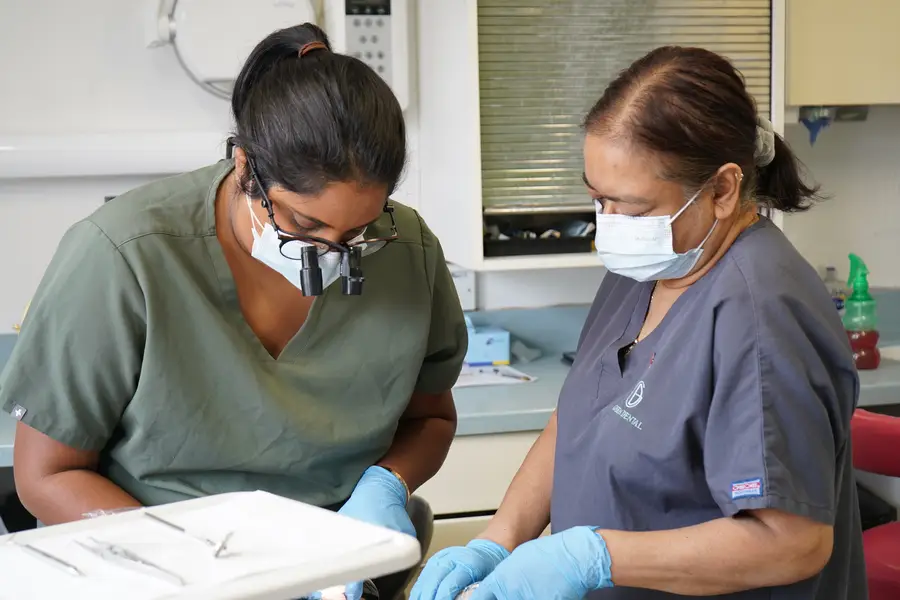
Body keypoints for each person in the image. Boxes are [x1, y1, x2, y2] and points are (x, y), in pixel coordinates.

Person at [0, 23, 466, 600]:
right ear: (246, 168)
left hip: (329, 572)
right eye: (305, 224)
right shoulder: (126, 256)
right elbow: (46, 475)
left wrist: (385, 484)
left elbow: (430, 420)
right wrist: (192, 565)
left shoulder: (406, 250)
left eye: (360, 229)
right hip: (146, 567)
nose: (333, 253)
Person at [411, 46, 866, 600]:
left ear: (722, 190)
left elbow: (792, 541)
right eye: (599, 198)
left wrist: (593, 557)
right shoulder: (647, 268)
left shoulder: (761, 315)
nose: (611, 224)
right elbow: (578, 417)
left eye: (632, 206)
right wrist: (498, 539)